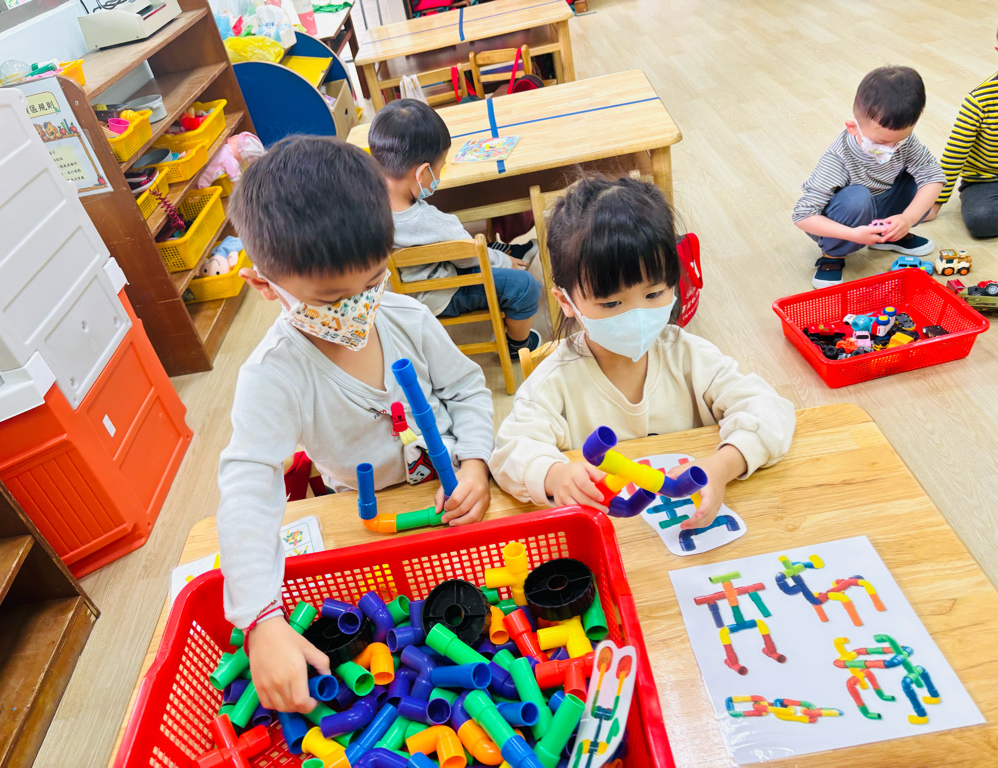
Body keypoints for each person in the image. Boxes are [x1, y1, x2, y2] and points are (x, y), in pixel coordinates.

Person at [218, 136, 495, 714]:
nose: (358, 307)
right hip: (366, 526)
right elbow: (247, 486)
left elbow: (467, 388)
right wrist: (260, 619)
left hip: (451, 501)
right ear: (266, 285)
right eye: (332, 297)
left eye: (372, 282)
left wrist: (474, 462)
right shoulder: (274, 374)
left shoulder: (406, 317)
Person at [489, 175, 795, 528]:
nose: (636, 316)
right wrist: (555, 475)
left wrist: (722, 465)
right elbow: (510, 452)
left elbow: (770, 410)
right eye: (611, 303)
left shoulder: (689, 355)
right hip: (615, 535)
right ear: (566, 301)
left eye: (653, 294)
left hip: (689, 526)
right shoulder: (554, 381)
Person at [369, 99, 543, 358]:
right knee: (526, 287)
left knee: (479, 248)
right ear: (422, 173)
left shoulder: (363, 205)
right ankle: (517, 346)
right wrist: (504, 262)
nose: (439, 176)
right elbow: (469, 256)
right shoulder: (431, 222)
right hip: (440, 292)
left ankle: (510, 253)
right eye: (440, 168)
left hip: (401, 292)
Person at [792, 66, 946, 288]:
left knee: (922, 181)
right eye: (881, 143)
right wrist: (853, 234)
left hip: (881, 204)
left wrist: (908, 219)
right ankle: (833, 256)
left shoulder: (905, 142)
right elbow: (803, 215)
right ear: (853, 127)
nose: (891, 149)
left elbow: (933, 176)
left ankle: (889, 234)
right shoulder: (838, 158)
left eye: (900, 140)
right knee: (857, 197)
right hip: (846, 220)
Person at [928, 28, 998, 239]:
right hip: (986, 180)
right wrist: (936, 202)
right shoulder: (980, 100)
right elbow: (954, 155)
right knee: (981, 219)